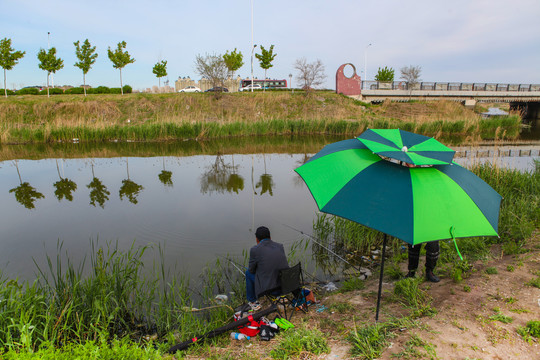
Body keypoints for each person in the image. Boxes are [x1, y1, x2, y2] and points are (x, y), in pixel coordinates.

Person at [245, 226, 289, 311]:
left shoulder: (255, 250)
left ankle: (253, 302)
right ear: (270, 237)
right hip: (284, 287)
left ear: (257, 239)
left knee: (248, 273)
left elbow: (251, 270)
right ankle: (280, 296)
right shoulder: (280, 246)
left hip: (269, 289)